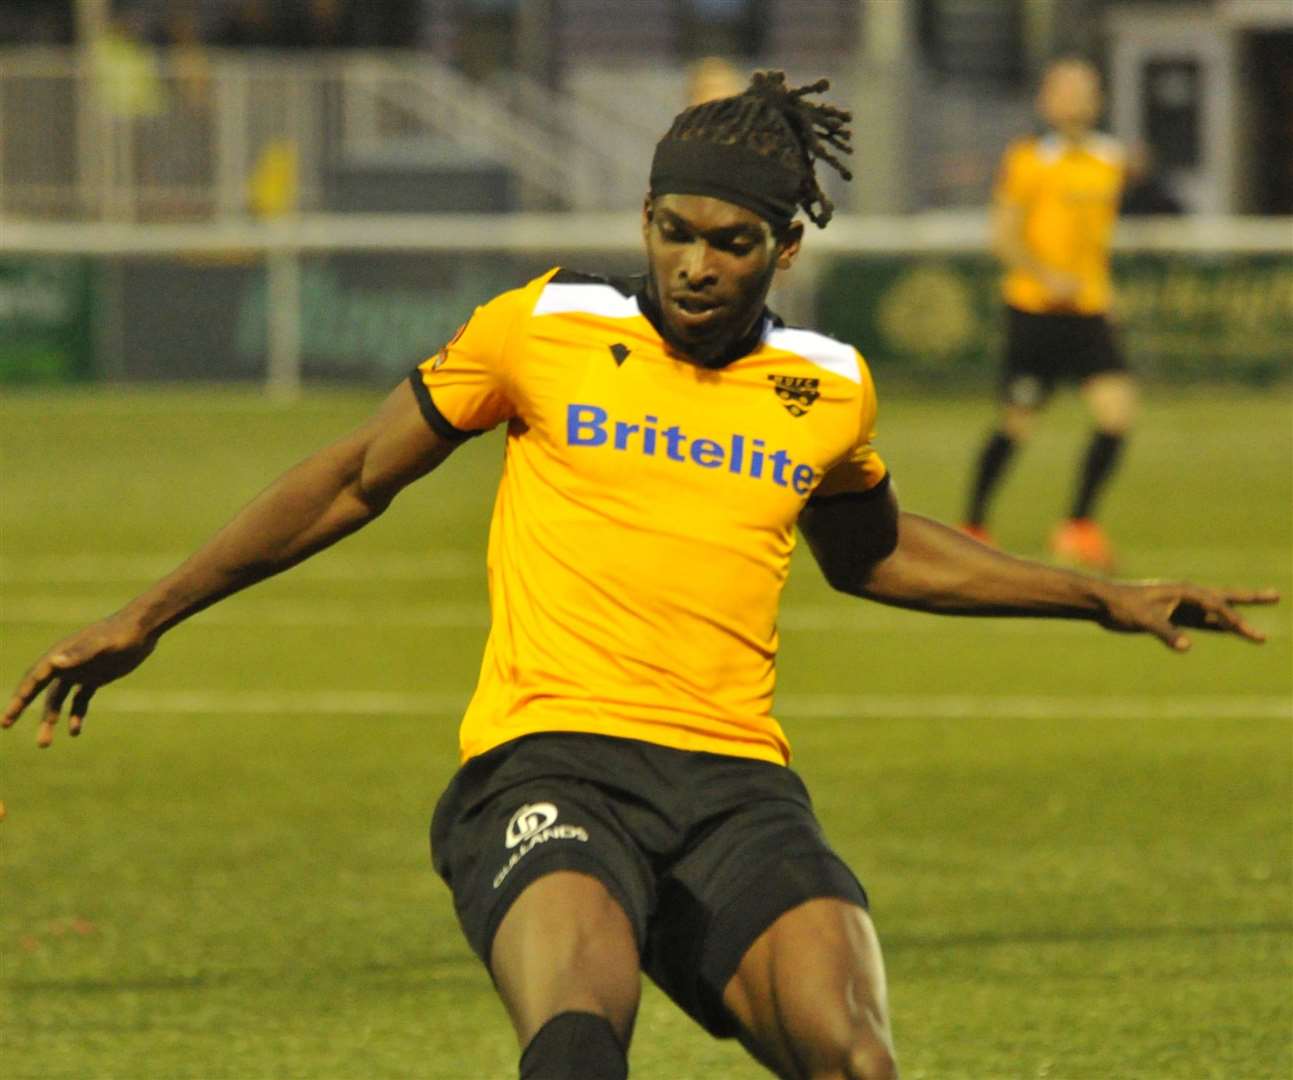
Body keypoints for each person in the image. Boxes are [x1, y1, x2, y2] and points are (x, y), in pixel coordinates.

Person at [2, 72, 1277, 1080]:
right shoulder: (544, 330)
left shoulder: (825, 388)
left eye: (731, 242)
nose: (695, 264)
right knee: (575, 1049)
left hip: (735, 786)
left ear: (783, 249)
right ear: (645, 220)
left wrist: (1098, 594)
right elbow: (350, 478)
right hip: (547, 762)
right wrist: (146, 615)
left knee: (857, 1059)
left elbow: (873, 550)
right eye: (673, 231)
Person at [963, 58, 1134, 570]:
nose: (1075, 99)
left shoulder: (1110, 159)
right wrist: (1044, 274)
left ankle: (1078, 525)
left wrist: (1105, 288)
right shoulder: (1029, 159)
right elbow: (1004, 237)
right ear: (1045, 100)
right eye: (1065, 90)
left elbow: (1094, 239)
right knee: (1016, 424)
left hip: (1089, 311)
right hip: (1035, 310)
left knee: (1118, 414)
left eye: (1085, 89)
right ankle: (973, 523)